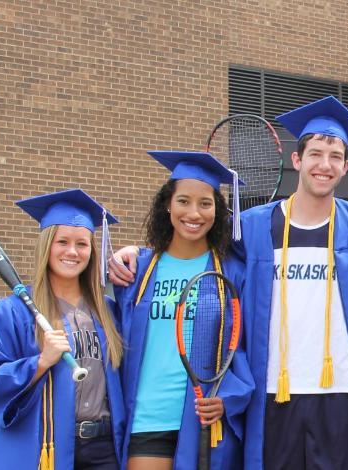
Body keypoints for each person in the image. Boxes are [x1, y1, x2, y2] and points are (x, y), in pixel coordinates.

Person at [109, 96, 348, 470]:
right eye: (315, 154)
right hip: (274, 393)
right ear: (297, 160)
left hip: (342, 394)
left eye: (334, 157)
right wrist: (138, 255)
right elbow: (193, 242)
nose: (323, 165)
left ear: (346, 166)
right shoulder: (255, 227)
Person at [0, 189, 127, 469]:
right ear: (46, 246)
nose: (72, 252)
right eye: (62, 241)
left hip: (104, 450)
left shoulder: (109, 312)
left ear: (92, 251)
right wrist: (40, 363)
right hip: (43, 445)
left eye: (82, 244)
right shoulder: (13, 312)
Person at [116, 151, 253, 470]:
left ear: (218, 211)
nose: (194, 213)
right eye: (184, 201)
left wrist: (229, 397)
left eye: (205, 203)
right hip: (148, 418)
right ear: (167, 204)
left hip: (204, 419)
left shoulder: (232, 273)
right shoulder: (139, 271)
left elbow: (246, 348)